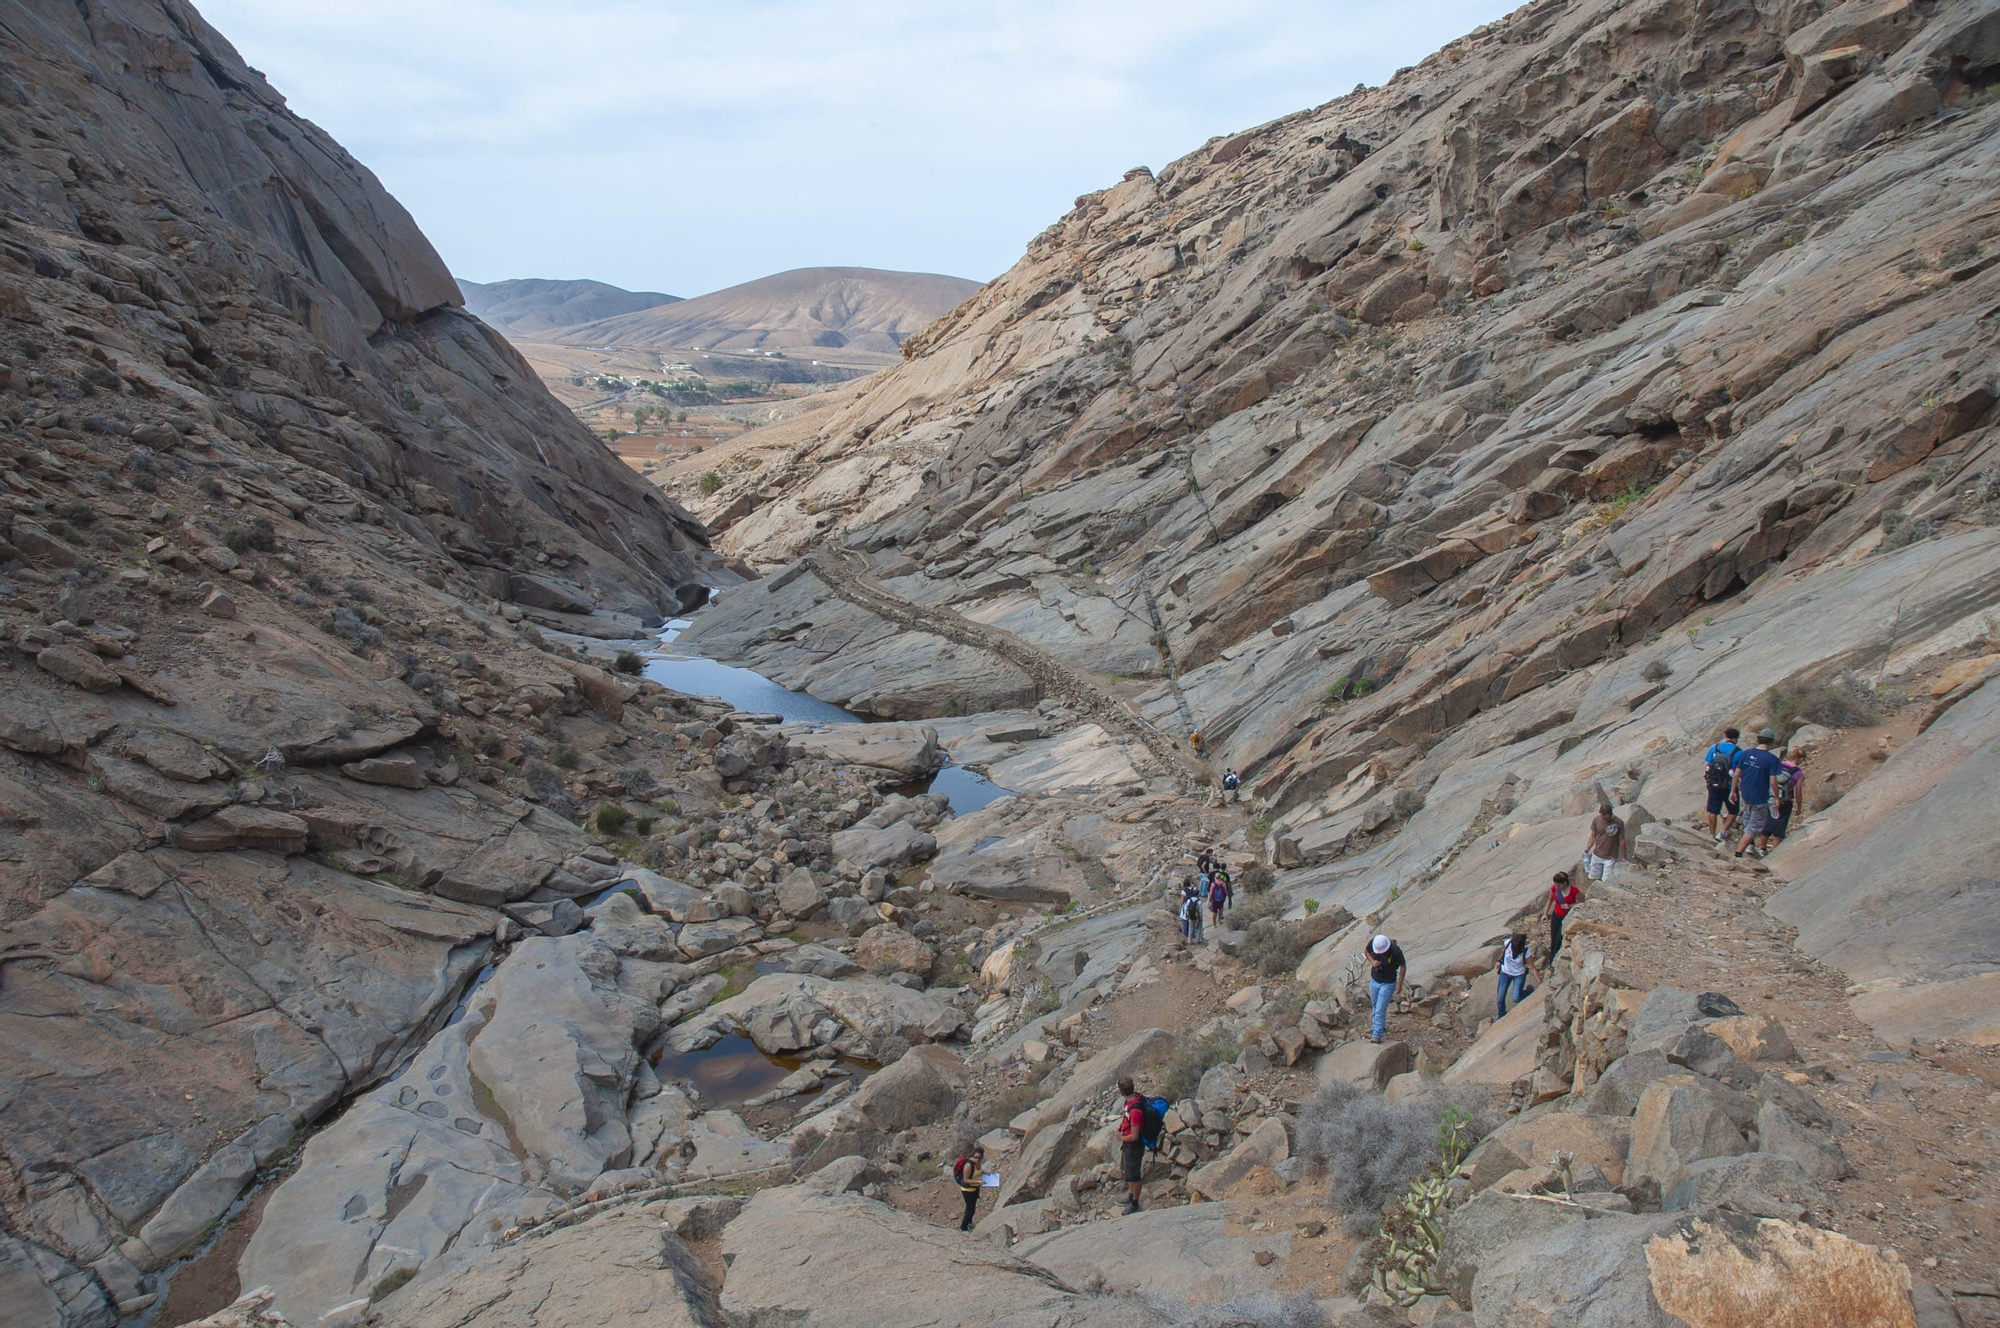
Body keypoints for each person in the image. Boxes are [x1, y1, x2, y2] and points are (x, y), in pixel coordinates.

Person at [1732, 728, 1786, 859]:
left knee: (1747, 819)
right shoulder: (1772, 759)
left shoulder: (1746, 753)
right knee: (1755, 826)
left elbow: (1736, 774)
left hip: (1745, 793)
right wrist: (1777, 798)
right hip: (1760, 796)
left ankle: (1749, 847)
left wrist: (1733, 791)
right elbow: (1773, 781)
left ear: (1758, 739)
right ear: (1772, 742)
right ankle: (1738, 852)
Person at [1703, 728, 1744, 842]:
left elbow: (1708, 764)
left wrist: (1708, 780)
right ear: (1736, 738)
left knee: (1712, 810)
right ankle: (1722, 832)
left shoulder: (1715, 748)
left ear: (1726, 737)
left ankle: (1712, 833)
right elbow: (1739, 771)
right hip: (1730, 785)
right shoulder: (1739, 752)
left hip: (1714, 783)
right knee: (1733, 810)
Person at [1364, 934, 1405, 1043]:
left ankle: (1376, 1034)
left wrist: (1399, 985)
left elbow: (1403, 966)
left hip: (1388, 982)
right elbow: (1366, 952)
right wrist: (1372, 961)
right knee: (1375, 1005)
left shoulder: (1395, 951)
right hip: (1375, 980)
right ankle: (1377, 1026)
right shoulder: (1373, 943)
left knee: (1380, 1009)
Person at [1117, 1077, 1146, 1213]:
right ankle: (1130, 1195)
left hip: (1134, 1146)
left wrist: (1122, 1137)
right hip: (1128, 1144)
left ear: (1121, 1091)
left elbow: (1134, 1136)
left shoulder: (1135, 1110)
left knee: (1134, 1175)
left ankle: (1134, 1203)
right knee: (1128, 1171)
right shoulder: (1131, 1101)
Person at [1495, 932, 1540, 1019]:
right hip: (1505, 973)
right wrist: (1499, 960)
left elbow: (1533, 968)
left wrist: (1539, 982)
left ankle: (1528, 992)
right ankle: (1501, 1015)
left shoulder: (1526, 951)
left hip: (1518, 975)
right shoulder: (1508, 943)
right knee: (1500, 998)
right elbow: (1503, 950)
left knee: (1516, 998)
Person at [1543, 869, 1584, 959]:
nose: (1556, 887)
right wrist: (1545, 913)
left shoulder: (1574, 891)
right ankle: (1552, 956)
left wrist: (1570, 906)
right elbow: (1549, 900)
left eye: (1558, 885)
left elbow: (1583, 902)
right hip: (1556, 915)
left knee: (1559, 939)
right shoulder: (1554, 888)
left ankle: (1557, 956)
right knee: (1554, 937)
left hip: (1566, 918)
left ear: (1564, 883)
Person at [1583, 802, 1625, 882]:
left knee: (1607, 880)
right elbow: (1593, 836)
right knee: (1594, 877)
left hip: (1610, 856)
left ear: (1610, 814)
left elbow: (1621, 839)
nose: (1603, 819)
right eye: (1601, 816)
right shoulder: (1596, 820)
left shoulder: (1619, 822)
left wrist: (1624, 857)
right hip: (1597, 853)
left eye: (1605, 818)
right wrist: (1587, 849)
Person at [1770, 753, 1806, 843]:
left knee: (1768, 822)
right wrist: (1799, 806)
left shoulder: (1780, 764)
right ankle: (1775, 851)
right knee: (1780, 826)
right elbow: (1798, 792)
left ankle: (1762, 849)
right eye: (1803, 759)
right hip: (1786, 800)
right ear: (1800, 758)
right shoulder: (1799, 773)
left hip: (1771, 796)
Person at [952, 1145, 986, 1231]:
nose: (977, 1159)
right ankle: (963, 1228)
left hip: (974, 1189)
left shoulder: (978, 1164)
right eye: (976, 1157)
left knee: (970, 1207)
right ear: (973, 1155)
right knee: (971, 1210)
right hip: (967, 1190)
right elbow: (966, 1180)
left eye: (979, 1158)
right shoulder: (968, 1165)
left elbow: (978, 1171)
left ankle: (969, 1223)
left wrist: (985, 1173)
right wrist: (978, 1182)